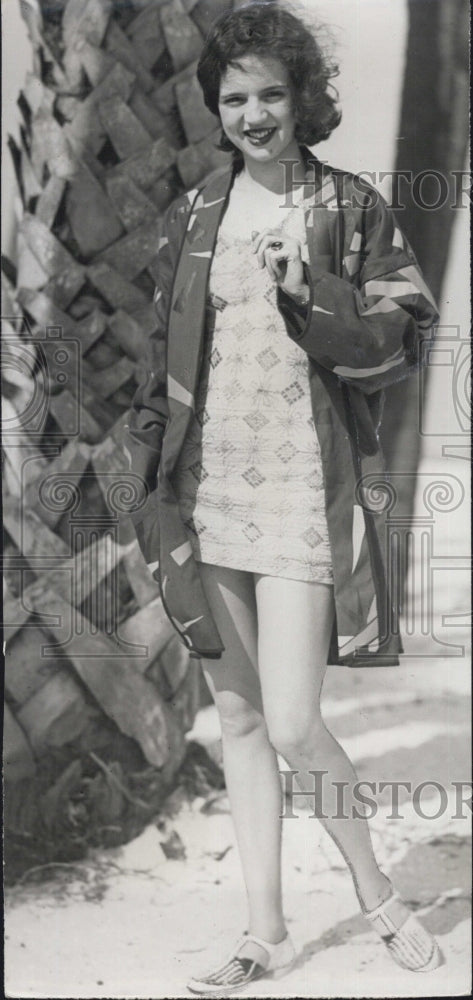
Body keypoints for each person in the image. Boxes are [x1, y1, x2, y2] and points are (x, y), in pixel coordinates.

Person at [124, 3, 442, 992]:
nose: (252, 113)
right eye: (233, 98)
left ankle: (373, 892)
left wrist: (315, 293)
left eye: (268, 94)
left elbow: (399, 338)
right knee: (242, 716)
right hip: (206, 491)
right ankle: (261, 930)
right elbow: (162, 359)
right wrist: (147, 483)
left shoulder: (349, 209)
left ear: (300, 97)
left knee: (298, 719)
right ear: (215, 111)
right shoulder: (192, 216)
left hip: (306, 493)